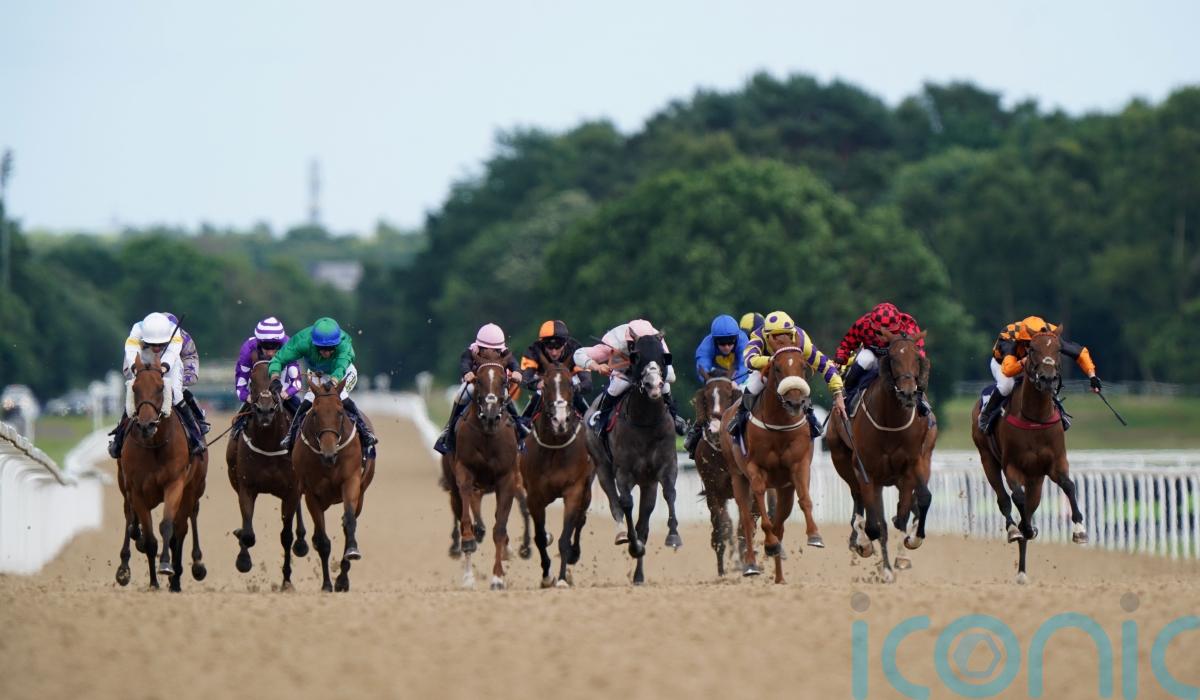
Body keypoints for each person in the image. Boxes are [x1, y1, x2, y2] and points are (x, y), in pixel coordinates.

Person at [727, 310, 846, 440]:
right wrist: (773, 360)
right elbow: (749, 360)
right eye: (776, 336)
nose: (782, 339)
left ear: (793, 333)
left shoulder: (802, 341)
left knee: (801, 385)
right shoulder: (758, 335)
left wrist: (838, 393)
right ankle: (740, 415)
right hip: (768, 370)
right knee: (753, 386)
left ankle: (811, 417)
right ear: (767, 335)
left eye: (787, 335)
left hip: (792, 370)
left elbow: (825, 365)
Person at [977, 316, 1102, 433]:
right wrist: (1023, 361)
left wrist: (1092, 376)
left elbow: (1080, 353)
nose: (1029, 347)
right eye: (1027, 344)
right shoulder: (1009, 337)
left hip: (1033, 362)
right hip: (1003, 364)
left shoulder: (1050, 334)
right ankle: (986, 413)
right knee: (1007, 386)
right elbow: (1008, 370)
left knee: (1047, 379)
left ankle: (1060, 412)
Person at [108, 312, 208, 457]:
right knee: (135, 389)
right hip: (143, 358)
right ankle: (118, 439)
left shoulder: (174, 332)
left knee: (176, 394)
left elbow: (172, 353)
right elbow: (131, 352)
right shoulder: (137, 330)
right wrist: (136, 369)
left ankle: (195, 437)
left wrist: (163, 368)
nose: (156, 347)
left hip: (170, 363)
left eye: (161, 344)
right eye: (153, 343)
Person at [269, 317, 376, 452]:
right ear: (313, 343)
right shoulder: (303, 341)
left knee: (341, 398)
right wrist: (275, 378)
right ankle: (290, 435)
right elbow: (278, 359)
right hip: (317, 374)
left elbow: (341, 367)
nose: (326, 352)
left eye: (330, 348)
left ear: (337, 344)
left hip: (343, 373)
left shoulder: (344, 344)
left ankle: (365, 432)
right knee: (305, 404)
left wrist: (333, 381)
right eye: (321, 348)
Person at [573, 319, 687, 436]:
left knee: (666, 385)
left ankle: (673, 415)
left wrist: (655, 376)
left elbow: (671, 376)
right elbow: (578, 354)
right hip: (624, 368)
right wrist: (597, 366)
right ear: (630, 341)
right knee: (616, 388)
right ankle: (602, 418)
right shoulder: (615, 341)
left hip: (650, 370)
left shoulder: (656, 341)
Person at [433, 323, 527, 455]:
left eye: (495, 350)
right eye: (485, 349)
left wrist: (517, 372)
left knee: (506, 396)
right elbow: (464, 362)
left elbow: (514, 364)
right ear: (479, 347)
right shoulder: (471, 351)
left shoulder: (505, 353)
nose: (491, 352)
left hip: (496, 387)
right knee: (461, 395)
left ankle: (519, 428)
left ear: (500, 349)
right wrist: (467, 372)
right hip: (476, 386)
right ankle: (449, 430)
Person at [835, 302, 931, 414]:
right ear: (871, 325)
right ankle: (848, 394)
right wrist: (840, 358)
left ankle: (919, 399)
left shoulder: (908, 325)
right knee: (865, 359)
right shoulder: (863, 324)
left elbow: (918, 349)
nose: (883, 337)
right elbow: (847, 344)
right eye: (879, 332)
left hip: (897, 358)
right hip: (872, 356)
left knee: (912, 363)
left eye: (890, 332)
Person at [684, 314, 750, 454]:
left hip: (739, 378)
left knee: (747, 394)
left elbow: (744, 366)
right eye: (721, 343)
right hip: (716, 379)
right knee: (702, 396)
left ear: (736, 338)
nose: (726, 347)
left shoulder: (743, 340)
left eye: (730, 342)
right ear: (714, 341)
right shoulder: (706, 346)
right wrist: (712, 382)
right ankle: (696, 430)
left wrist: (735, 382)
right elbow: (702, 367)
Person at [232, 317, 302, 437]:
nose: (270, 353)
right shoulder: (248, 349)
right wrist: (247, 397)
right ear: (259, 343)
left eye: (274, 347)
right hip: (257, 393)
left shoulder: (289, 346)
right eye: (266, 347)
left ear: (280, 343)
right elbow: (240, 385)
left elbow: (297, 382)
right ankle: (235, 437)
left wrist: (286, 393)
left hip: (281, 388)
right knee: (237, 423)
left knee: (302, 416)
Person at [519, 319, 592, 419]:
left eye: (558, 347)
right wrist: (537, 384)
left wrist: (573, 388)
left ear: (565, 343)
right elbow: (524, 379)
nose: (554, 352)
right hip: (544, 386)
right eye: (549, 347)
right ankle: (524, 422)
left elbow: (588, 384)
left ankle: (590, 421)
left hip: (570, 383)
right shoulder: (534, 351)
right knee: (540, 391)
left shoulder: (576, 350)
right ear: (543, 344)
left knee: (575, 386)